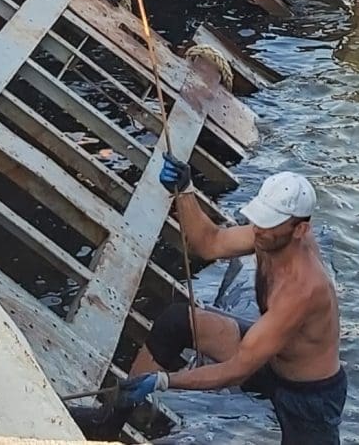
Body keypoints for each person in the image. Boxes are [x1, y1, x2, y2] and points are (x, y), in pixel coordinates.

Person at [121, 160, 346, 445]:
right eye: (260, 220)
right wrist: (185, 190)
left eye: (269, 224)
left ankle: (146, 388)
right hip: (270, 357)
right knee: (176, 322)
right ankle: (117, 414)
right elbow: (210, 243)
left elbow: (236, 370)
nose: (258, 230)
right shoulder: (268, 237)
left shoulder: (303, 290)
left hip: (308, 397)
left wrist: (165, 380)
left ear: (300, 230)